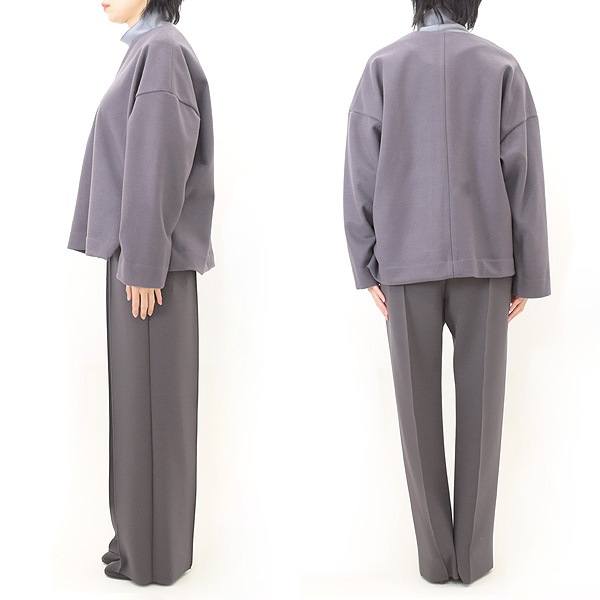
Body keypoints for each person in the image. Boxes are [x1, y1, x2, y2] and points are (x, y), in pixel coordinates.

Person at [343, 0, 551, 585]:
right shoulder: (501, 66)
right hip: (487, 262)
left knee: (416, 416)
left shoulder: (382, 66)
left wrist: (367, 264)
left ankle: (435, 562)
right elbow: (524, 175)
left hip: (404, 264)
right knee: (483, 416)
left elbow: (360, 173)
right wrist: (527, 271)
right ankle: (473, 561)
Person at [66, 0, 215, 585]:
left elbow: (157, 159)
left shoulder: (162, 52)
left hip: (148, 267)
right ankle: (143, 543)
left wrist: (145, 264)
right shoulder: (148, 52)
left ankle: (150, 557)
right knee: (143, 407)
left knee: (150, 409)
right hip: (140, 259)